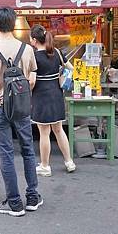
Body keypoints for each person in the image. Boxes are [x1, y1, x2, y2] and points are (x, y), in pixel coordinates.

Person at [0, 7, 42, 217]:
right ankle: (32, 197)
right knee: (27, 149)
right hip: (23, 106)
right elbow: (31, 79)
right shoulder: (27, 49)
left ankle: (14, 202)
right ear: (14, 24)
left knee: (6, 153)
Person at [29, 25, 76, 177]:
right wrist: (61, 76)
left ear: (35, 40)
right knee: (58, 129)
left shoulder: (34, 57)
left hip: (41, 97)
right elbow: (71, 68)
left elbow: (32, 82)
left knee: (44, 132)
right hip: (56, 94)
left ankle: (45, 166)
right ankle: (69, 162)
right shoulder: (56, 52)